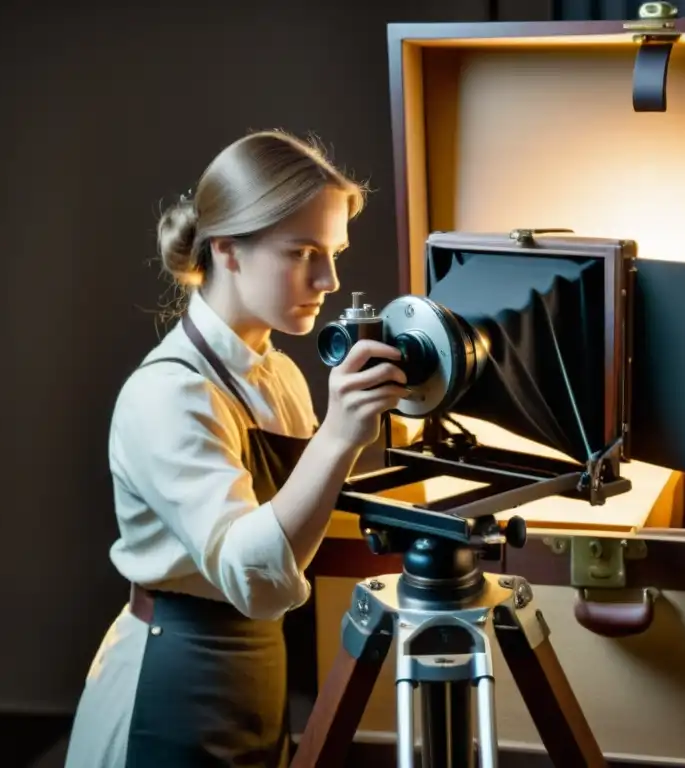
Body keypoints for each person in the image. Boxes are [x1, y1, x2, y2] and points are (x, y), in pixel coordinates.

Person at [63, 129, 408, 767]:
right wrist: (338, 435)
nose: (328, 279)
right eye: (303, 251)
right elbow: (252, 576)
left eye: (334, 252)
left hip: (259, 673)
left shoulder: (278, 375)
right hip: (169, 687)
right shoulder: (168, 395)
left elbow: (304, 535)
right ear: (227, 250)